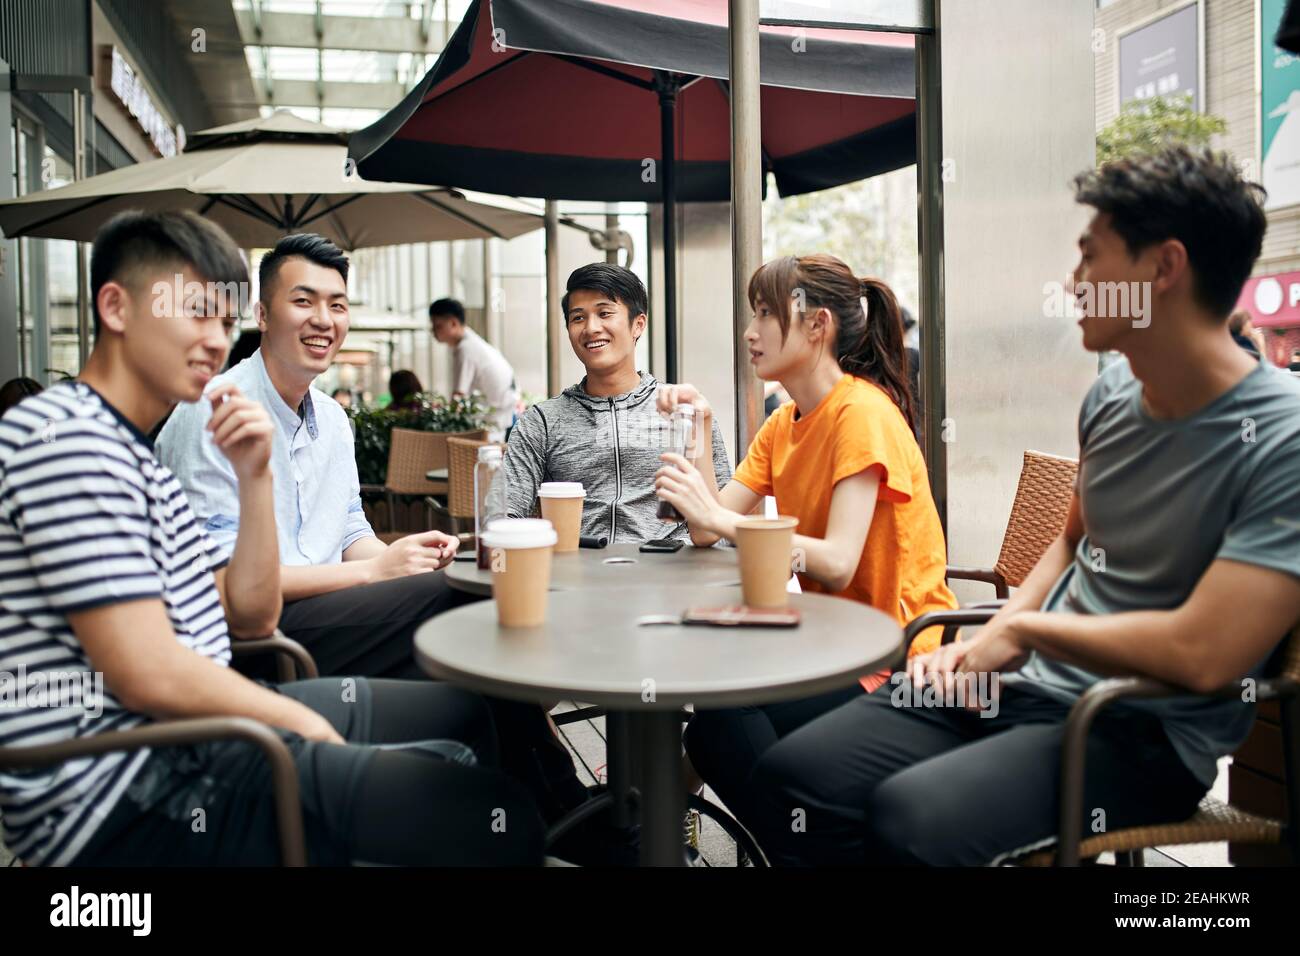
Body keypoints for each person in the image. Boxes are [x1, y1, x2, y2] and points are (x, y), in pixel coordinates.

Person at [735, 147, 1300, 866]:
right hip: (1023, 685)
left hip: (1138, 730)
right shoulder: (1112, 398)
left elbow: (1201, 653)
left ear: (1163, 269)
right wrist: (991, 642)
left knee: (908, 821)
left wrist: (1021, 632)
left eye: (1090, 259)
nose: (1073, 283)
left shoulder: (1281, 436)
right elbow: (1069, 546)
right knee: (793, 780)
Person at [0, 210, 543, 866]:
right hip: (128, 791)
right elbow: (144, 671)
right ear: (115, 307)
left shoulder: (132, 448)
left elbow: (250, 613)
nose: (212, 339)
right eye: (195, 312)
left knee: (463, 721)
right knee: (495, 820)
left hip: (202, 725)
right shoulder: (67, 441)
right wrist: (299, 725)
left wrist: (256, 479)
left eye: (222, 321)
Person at [158, 233, 587, 825]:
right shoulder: (211, 413)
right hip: (256, 643)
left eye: (337, 304)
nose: (324, 320)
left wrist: (396, 551)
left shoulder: (332, 418)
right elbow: (225, 592)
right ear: (261, 314)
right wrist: (371, 571)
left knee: (466, 620)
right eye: (303, 301)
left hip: (328, 615)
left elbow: (351, 529)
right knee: (453, 606)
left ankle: (529, 815)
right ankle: (563, 812)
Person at [652, 254, 958, 830]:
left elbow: (838, 562)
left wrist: (718, 522)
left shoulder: (861, 414)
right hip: (831, 644)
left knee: (723, 719)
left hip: (900, 659)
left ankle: (807, 840)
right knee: (719, 713)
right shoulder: (784, 422)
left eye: (766, 313)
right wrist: (701, 425)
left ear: (817, 325)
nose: (750, 330)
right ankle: (809, 837)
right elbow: (704, 523)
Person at [502, 263, 732, 543]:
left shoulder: (683, 410)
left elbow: (720, 517)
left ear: (638, 324)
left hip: (669, 574)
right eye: (578, 318)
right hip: (577, 575)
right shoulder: (542, 421)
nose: (591, 328)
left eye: (604, 313)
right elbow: (507, 511)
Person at [429, 297, 518, 439]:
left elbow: (458, 397)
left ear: (453, 323)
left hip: (494, 422)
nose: (433, 331)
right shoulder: (471, 341)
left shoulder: (466, 348)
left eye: (437, 326)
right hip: (503, 415)